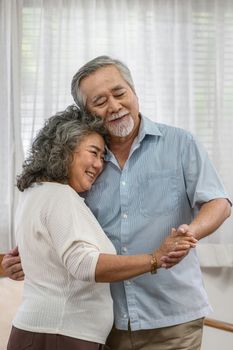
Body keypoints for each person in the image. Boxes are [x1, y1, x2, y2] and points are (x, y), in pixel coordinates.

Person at [2, 56, 231, 350]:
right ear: (87, 113)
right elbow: (61, 224)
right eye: (99, 101)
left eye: (120, 93)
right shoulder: (82, 162)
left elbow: (219, 202)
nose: (114, 106)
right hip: (107, 325)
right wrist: (29, 256)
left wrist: (189, 234)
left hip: (171, 316)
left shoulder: (180, 143)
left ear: (134, 91)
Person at [6, 105, 195, 350]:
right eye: (93, 153)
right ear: (64, 149)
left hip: (48, 332)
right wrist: (155, 258)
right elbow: (84, 264)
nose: (99, 164)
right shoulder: (60, 196)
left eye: (102, 157)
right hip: (59, 335)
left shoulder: (35, 192)